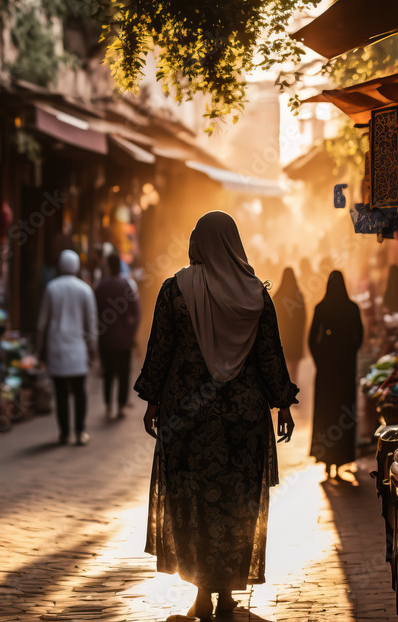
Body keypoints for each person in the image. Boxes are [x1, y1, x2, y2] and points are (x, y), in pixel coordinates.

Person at [134, 211, 298, 621]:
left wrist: (152, 402)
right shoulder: (256, 296)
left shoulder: (176, 291)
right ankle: (225, 594)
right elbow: (270, 356)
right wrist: (282, 405)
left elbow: (160, 349)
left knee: (191, 504)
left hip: (187, 418)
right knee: (236, 505)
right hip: (242, 422)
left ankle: (202, 593)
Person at [37, 250, 98, 446]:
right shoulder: (85, 290)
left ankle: (64, 433)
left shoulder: (51, 288)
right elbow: (92, 323)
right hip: (78, 349)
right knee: (79, 392)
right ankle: (80, 432)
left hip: (56, 348)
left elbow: (41, 324)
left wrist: (40, 349)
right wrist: (93, 348)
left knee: (61, 393)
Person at [308, 270, 363, 480]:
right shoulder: (352, 308)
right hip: (345, 367)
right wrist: (350, 353)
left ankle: (326, 461)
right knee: (343, 411)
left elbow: (312, 339)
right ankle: (341, 459)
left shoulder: (321, 308)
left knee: (326, 412)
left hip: (326, 368)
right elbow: (359, 335)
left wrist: (319, 360)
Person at [95, 252, 141, 419]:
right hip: (124, 339)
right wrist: (132, 334)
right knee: (123, 372)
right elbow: (137, 313)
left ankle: (108, 405)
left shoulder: (100, 287)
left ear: (108, 266)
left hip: (105, 339)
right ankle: (122, 405)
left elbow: (95, 314)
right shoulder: (127, 285)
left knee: (108, 372)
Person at [272, 267, 306, 382]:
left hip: (282, 336)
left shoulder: (277, 296)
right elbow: (303, 318)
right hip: (295, 336)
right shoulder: (299, 296)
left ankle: (283, 384)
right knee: (294, 365)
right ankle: (293, 383)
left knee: (282, 361)